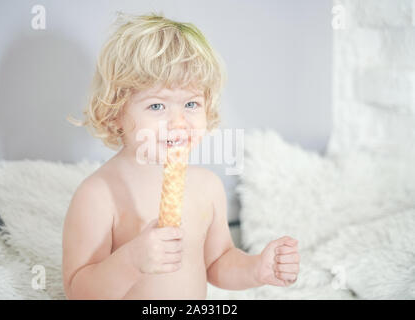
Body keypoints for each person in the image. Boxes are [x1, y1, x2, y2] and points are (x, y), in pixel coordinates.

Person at [62, 11, 299, 300]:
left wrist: (256, 269)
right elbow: (78, 292)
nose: (178, 122)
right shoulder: (97, 194)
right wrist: (130, 261)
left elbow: (218, 262)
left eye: (190, 103)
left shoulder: (207, 186)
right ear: (115, 114)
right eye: (157, 106)